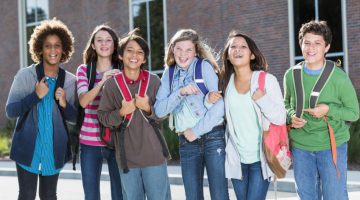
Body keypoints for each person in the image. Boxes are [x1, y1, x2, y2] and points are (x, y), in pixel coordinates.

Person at [284, 20, 359, 200]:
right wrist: (291, 116)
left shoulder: (339, 77)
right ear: (300, 44)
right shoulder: (291, 75)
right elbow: (285, 104)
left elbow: (354, 112)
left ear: (327, 47)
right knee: (307, 196)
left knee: (335, 197)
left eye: (317, 43)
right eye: (307, 42)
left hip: (331, 146)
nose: (311, 48)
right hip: (301, 147)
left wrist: (329, 110)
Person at [5, 18, 77, 200]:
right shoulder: (25, 75)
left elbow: (75, 118)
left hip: (54, 149)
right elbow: (11, 111)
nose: (53, 51)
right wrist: (35, 96)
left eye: (57, 46)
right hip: (27, 148)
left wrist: (64, 104)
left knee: (49, 196)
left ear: (64, 49)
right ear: (40, 49)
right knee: (27, 195)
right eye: (47, 46)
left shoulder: (70, 81)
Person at [154, 29, 229, 200]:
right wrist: (181, 92)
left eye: (188, 50)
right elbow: (159, 110)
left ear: (195, 51)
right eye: (179, 49)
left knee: (219, 194)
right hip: (187, 142)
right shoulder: (169, 74)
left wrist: (196, 131)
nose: (183, 54)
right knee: (192, 196)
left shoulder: (204, 67)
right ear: (172, 49)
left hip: (212, 137)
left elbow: (220, 106)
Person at [97, 29, 171, 200]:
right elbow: (103, 117)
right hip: (126, 159)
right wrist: (122, 112)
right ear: (121, 55)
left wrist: (148, 109)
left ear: (144, 59)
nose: (134, 55)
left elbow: (163, 114)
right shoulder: (112, 85)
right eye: (129, 50)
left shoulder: (153, 81)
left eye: (140, 52)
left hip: (154, 156)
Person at [218, 30, 286, 199]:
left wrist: (262, 100)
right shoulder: (225, 83)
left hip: (261, 158)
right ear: (227, 55)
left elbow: (280, 117)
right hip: (237, 159)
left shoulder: (266, 80)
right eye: (233, 46)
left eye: (243, 47)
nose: (237, 50)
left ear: (252, 55)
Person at [76, 24, 123, 200]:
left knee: (119, 195)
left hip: (116, 141)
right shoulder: (84, 70)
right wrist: (102, 81)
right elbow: (83, 101)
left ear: (114, 45)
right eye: (99, 40)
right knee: (91, 196)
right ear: (93, 45)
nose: (104, 44)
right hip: (89, 144)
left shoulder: (122, 70)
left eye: (108, 40)